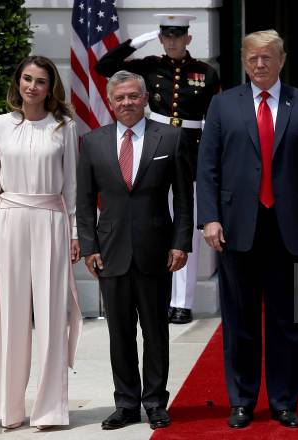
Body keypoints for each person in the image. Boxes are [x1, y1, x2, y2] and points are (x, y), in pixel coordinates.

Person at [198, 29, 298, 429]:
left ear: (281, 60)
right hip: (237, 228)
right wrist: (210, 218)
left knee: (288, 323)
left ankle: (284, 401)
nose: (260, 64)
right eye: (253, 57)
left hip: (289, 229)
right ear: (244, 61)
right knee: (239, 321)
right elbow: (208, 167)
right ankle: (241, 400)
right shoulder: (223, 105)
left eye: (267, 57)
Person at [0, 55, 82, 429]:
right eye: (27, 79)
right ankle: (7, 408)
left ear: (51, 88)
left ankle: (50, 409)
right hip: (9, 219)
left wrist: (75, 231)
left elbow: (72, 187)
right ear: (18, 82)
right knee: (9, 315)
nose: (32, 86)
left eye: (41, 81)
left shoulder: (64, 128)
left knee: (51, 316)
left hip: (51, 219)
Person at [76, 70, 192, 430]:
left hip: (156, 250)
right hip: (110, 252)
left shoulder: (170, 138)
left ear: (145, 99)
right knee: (120, 333)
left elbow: (185, 200)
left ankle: (155, 402)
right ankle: (125, 403)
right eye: (119, 98)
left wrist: (181, 242)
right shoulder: (93, 142)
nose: (126, 103)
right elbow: (82, 200)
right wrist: (89, 246)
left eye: (132, 96)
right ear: (110, 103)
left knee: (156, 332)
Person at [95, 14, 220, 324]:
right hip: (156, 149)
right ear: (162, 38)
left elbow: (212, 118)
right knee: (155, 225)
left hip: (190, 152)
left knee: (185, 229)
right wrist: (142, 38)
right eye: (167, 36)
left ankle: (182, 302)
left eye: (178, 35)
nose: (173, 41)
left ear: (188, 38)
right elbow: (104, 67)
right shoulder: (149, 66)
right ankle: (160, 295)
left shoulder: (206, 72)